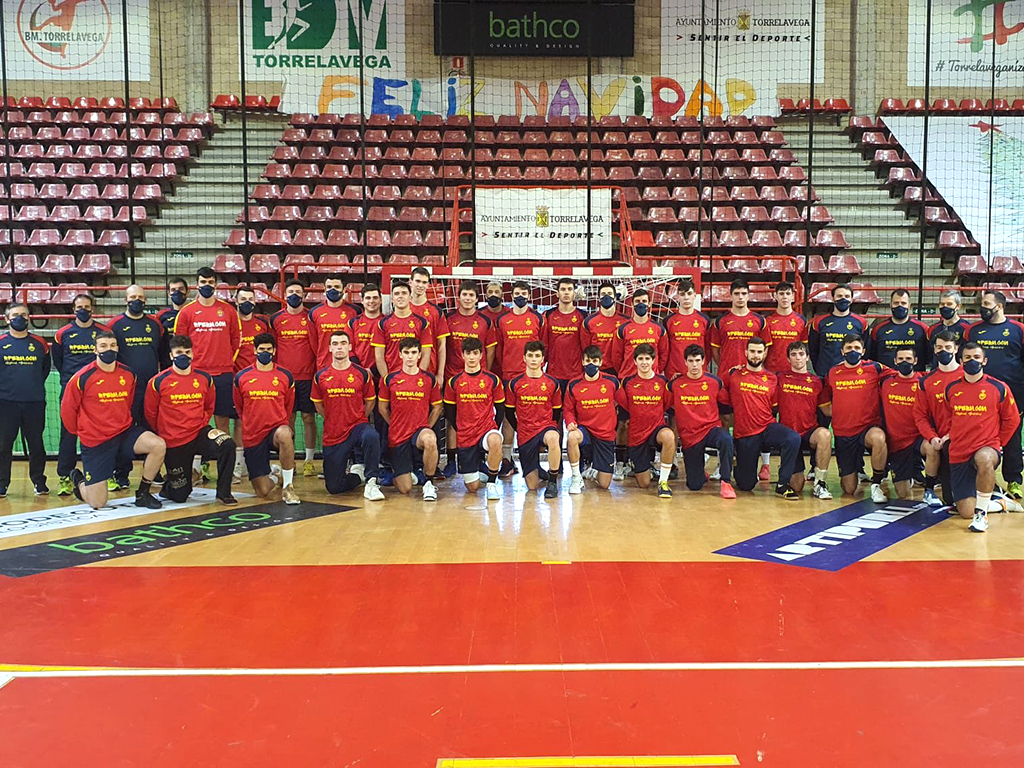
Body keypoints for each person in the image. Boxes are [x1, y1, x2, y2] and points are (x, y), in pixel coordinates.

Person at [60, 332, 165, 510]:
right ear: (95, 350)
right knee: (98, 503)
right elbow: (68, 411)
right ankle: (78, 480)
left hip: (124, 433)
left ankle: (143, 493)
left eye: (112, 345)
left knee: (158, 445)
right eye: (103, 346)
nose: (108, 349)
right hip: (97, 440)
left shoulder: (129, 374)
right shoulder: (82, 378)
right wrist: (84, 432)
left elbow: (129, 402)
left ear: (117, 348)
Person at [144, 335, 237, 505]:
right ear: (171, 356)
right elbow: (151, 413)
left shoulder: (204, 378)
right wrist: (166, 432)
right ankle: (170, 485)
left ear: (193, 354)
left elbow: (209, 406)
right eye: (178, 352)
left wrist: (201, 424)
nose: (183, 356)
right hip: (174, 440)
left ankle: (224, 493)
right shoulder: (158, 381)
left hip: (199, 432)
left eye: (187, 352)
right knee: (180, 496)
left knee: (227, 444)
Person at [945, 342, 1021, 532]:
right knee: (965, 511)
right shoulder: (951, 389)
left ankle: (982, 516)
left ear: (985, 361)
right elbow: (947, 417)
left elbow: (1012, 420)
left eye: (977, 358)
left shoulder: (999, 387)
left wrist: (998, 444)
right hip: (959, 451)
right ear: (961, 361)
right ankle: (1000, 503)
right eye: (968, 358)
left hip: (987, 447)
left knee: (985, 458)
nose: (972, 361)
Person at [718, 337, 800, 498]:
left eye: (759, 352)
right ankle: (739, 462)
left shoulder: (771, 378)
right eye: (753, 351)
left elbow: (774, 405)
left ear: (764, 354)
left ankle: (783, 484)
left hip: (767, 427)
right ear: (746, 352)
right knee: (746, 485)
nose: (756, 355)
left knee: (792, 438)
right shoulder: (733, 374)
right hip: (745, 434)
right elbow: (718, 389)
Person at [311, 330, 384, 501]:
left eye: (343, 343)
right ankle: (358, 476)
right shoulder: (320, 376)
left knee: (371, 435)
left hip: (357, 426)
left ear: (350, 347)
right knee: (334, 488)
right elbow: (318, 404)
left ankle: (372, 482)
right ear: (329, 348)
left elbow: (370, 402)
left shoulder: (362, 374)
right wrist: (332, 418)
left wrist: (358, 418)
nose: (339, 347)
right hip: (333, 432)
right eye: (335, 344)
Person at [965, 290, 1024, 498]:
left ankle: (1014, 481)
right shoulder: (973, 331)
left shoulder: (1018, 330)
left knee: (1012, 438)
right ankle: (980, 478)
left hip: (1013, 394)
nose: (983, 307)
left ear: (999, 306)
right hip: (979, 395)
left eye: (987, 303)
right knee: (977, 436)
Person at [232, 333, 300, 504]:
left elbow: (288, 406)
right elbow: (240, 407)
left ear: (274, 351)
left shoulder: (285, 376)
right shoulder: (241, 377)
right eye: (261, 349)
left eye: (269, 349)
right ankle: (277, 476)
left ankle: (288, 487)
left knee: (285, 433)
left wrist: (281, 423)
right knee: (262, 491)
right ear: (255, 351)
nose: (265, 353)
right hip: (253, 435)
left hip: (275, 430)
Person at [173, 266, 241, 434]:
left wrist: (224, 361)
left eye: (211, 282)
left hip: (223, 374)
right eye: (203, 282)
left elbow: (236, 340)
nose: (207, 285)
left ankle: (223, 459)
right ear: (196, 285)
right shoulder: (186, 313)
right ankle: (198, 460)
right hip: (195, 373)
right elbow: (179, 344)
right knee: (194, 419)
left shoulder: (228, 310)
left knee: (223, 420)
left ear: (216, 285)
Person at [53, 293, 109, 496]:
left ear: (93, 308)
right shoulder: (63, 334)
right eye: (79, 307)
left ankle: (102, 474)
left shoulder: (104, 332)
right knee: (68, 435)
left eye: (87, 306)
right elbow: (58, 361)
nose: (83, 310)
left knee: (102, 434)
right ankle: (65, 477)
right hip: (71, 394)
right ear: (73, 310)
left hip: (98, 394)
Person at [824, 334, 890, 502]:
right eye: (848, 348)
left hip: (867, 427)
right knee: (849, 488)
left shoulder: (874, 368)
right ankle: (855, 472)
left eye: (856, 348)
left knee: (878, 438)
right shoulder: (833, 372)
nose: (852, 351)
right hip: (843, 432)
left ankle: (876, 483)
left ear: (863, 351)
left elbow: (901, 375)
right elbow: (825, 401)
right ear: (842, 351)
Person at [444, 281, 498, 477]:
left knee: (480, 418)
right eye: (464, 294)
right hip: (453, 376)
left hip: (478, 377)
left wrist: (485, 372)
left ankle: (480, 459)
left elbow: (490, 349)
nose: (467, 298)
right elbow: (443, 346)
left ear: (477, 299)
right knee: (453, 419)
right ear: (459, 297)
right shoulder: (448, 318)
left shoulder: (484, 321)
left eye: (471, 295)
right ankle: (451, 460)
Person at [377, 337, 442, 500]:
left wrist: (426, 427)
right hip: (398, 437)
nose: (410, 356)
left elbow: (437, 407)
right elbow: (382, 408)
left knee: (430, 440)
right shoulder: (389, 379)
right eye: (406, 353)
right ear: (400, 355)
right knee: (405, 489)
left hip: (418, 433)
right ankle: (405, 472)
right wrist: (394, 424)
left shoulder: (428, 379)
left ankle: (429, 483)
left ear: (420, 355)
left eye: (414, 352)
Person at [110, 285, 161, 488]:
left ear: (145, 300)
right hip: (126, 391)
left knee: (152, 430)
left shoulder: (155, 325)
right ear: (125, 300)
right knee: (124, 431)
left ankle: (153, 472)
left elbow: (161, 354)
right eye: (133, 297)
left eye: (140, 297)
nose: (137, 300)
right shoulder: (115, 326)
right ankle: (121, 473)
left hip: (150, 389)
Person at [668, 344, 735, 498]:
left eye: (698, 360)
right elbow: (666, 405)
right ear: (685, 362)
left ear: (704, 361)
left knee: (726, 439)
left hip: (711, 429)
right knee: (694, 485)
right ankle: (699, 469)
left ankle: (726, 482)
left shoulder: (714, 382)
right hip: (690, 437)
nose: (694, 365)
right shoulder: (675, 385)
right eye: (691, 361)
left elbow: (727, 403)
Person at [445, 337, 506, 500]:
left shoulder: (492, 380)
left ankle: (492, 483)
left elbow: (500, 409)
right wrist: (460, 428)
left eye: (475, 353)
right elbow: (449, 411)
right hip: (465, 436)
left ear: (481, 355)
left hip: (486, 431)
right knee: (472, 488)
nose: (472, 357)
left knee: (495, 440)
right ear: (462, 355)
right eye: (468, 353)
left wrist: (494, 428)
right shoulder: (454, 382)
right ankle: (482, 470)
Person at [270, 280, 319, 478]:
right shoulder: (275, 319)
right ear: (284, 293)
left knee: (308, 418)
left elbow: (316, 345)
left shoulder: (311, 317)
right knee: (287, 420)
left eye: (298, 292)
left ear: (304, 295)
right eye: (291, 292)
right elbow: (272, 349)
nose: (294, 295)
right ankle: (289, 463)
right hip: (284, 379)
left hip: (307, 376)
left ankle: (308, 460)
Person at [0, 303, 50, 497]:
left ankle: (39, 482)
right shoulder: (1, 343)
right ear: (6, 319)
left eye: (23, 315)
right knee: (4, 445)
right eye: (15, 315)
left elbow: (44, 370)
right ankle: (2, 484)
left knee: (36, 444)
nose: (19, 318)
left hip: (34, 402)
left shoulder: (40, 344)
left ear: (29, 318)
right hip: (5, 403)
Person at [495, 281, 542, 475]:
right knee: (508, 417)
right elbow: (499, 349)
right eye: (517, 293)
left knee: (533, 415)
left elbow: (542, 347)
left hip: (532, 376)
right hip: (509, 374)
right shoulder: (503, 319)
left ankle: (535, 460)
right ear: (511, 296)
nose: (520, 296)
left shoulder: (538, 318)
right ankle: (507, 459)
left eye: (524, 293)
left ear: (529, 296)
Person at [616, 344, 675, 498]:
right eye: (640, 359)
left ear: (653, 361)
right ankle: (646, 469)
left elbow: (667, 404)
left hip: (656, 429)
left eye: (647, 359)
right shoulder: (627, 382)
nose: (644, 362)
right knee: (644, 484)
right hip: (637, 435)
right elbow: (624, 404)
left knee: (668, 436)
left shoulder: (663, 382)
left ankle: (663, 482)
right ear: (634, 361)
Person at [505, 340, 562, 498]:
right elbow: (509, 412)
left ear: (543, 359)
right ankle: (538, 470)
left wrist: (548, 428)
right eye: (530, 356)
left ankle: (552, 481)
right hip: (525, 433)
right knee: (532, 487)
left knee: (553, 437)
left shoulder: (552, 383)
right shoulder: (515, 384)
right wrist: (520, 429)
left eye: (537, 356)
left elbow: (557, 412)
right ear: (524, 358)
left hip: (545, 428)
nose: (534, 359)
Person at [777, 341, 833, 499]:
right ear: (788, 359)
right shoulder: (780, 378)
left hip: (809, 431)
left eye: (801, 354)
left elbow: (827, 410)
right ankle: (787, 467)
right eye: (793, 355)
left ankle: (820, 484)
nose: (798, 358)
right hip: (789, 436)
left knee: (824, 435)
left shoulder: (816, 382)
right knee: (797, 486)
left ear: (807, 357)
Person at [914, 330, 962, 507]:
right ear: (934, 350)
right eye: (940, 347)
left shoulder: (968, 376)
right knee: (951, 500)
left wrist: (953, 434)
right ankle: (929, 489)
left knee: (958, 500)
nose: (944, 351)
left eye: (948, 347)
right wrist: (932, 437)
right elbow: (920, 415)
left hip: (961, 440)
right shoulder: (927, 381)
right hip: (939, 441)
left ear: (956, 349)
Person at [564, 346, 619, 493]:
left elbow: (622, 401)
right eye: (587, 360)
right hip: (585, 430)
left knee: (604, 485)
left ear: (600, 362)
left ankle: (594, 470)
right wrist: (570, 422)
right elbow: (568, 409)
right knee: (572, 437)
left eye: (594, 361)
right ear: (582, 362)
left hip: (605, 434)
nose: (591, 364)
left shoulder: (612, 382)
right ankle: (576, 478)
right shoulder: (574, 384)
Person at [233, 285, 270, 483]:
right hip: (237, 380)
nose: (247, 302)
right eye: (243, 299)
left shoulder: (261, 325)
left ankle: (255, 461)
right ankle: (238, 464)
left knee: (255, 420)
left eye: (250, 299)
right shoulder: (232, 323)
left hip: (261, 380)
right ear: (236, 301)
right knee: (239, 421)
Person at [880, 347, 925, 500]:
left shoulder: (923, 382)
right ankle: (911, 474)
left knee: (932, 448)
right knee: (903, 495)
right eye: (900, 359)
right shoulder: (886, 383)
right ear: (895, 361)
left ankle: (932, 484)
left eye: (908, 359)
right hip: (898, 445)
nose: (904, 362)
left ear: (915, 361)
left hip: (919, 440)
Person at [709, 279, 771, 375]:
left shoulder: (760, 321)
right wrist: (725, 365)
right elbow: (715, 350)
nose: (740, 297)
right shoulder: (720, 321)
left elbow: (766, 347)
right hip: (727, 373)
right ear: (731, 296)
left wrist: (755, 364)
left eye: (744, 293)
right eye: (737, 294)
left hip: (751, 374)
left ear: (748, 296)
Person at [373, 281, 432, 375]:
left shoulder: (422, 323)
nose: (400, 296)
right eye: (396, 294)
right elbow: (379, 356)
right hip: (391, 377)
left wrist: (418, 376)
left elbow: (426, 354)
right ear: (392, 299)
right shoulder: (382, 323)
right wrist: (387, 379)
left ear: (410, 297)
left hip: (414, 378)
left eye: (404, 293)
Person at [808, 284, 867, 374]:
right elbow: (813, 350)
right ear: (833, 298)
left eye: (847, 296)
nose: (843, 299)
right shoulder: (819, 322)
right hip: (825, 373)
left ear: (851, 300)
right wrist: (820, 369)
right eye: (839, 296)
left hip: (851, 374)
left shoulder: (861, 323)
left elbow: (866, 350)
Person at [868, 289, 929, 370]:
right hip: (887, 378)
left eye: (903, 303)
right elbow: (872, 358)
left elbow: (928, 356)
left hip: (914, 379)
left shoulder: (922, 329)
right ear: (890, 305)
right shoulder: (878, 330)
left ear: (909, 306)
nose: (900, 306)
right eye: (896, 303)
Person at [613, 288, 667, 379]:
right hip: (627, 378)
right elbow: (616, 357)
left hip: (652, 379)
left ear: (649, 304)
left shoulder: (659, 329)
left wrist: (655, 370)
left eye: (644, 301)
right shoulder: (622, 329)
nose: (641, 304)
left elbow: (664, 355)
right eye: (637, 301)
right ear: (632, 304)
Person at [309, 275, 360, 371]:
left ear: (344, 290)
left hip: (350, 366)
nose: (332, 290)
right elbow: (314, 342)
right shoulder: (314, 312)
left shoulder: (355, 311)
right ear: (324, 290)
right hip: (324, 365)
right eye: (329, 287)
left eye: (336, 287)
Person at [542, 277, 586, 386]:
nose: (566, 292)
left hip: (576, 373)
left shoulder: (583, 316)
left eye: (570, 289)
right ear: (557, 293)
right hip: (554, 373)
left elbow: (586, 345)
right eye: (563, 289)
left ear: (574, 294)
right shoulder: (548, 315)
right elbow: (544, 344)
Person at [663, 278, 710, 379]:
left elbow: (708, 349)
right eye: (682, 294)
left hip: (698, 374)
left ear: (695, 295)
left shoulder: (704, 320)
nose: (686, 298)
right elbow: (664, 350)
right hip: (674, 374)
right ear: (678, 297)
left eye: (689, 294)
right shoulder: (668, 321)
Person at [409, 266, 450, 378]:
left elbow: (441, 345)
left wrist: (440, 373)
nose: (420, 285)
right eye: (417, 281)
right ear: (410, 282)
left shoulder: (436, 312)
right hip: (404, 368)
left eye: (424, 282)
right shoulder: (401, 309)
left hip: (430, 369)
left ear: (428, 285)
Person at [582, 281, 627, 374]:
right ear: (599, 298)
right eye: (603, 294)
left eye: (610, 294)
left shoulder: (625, 321)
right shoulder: (589, 322)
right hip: (597, 369)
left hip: (620, 370)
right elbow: (585, 348)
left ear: (615, 297)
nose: (606, 296)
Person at [765, 282, 807, 374]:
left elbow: (804, 348)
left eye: (788, 294)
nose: (784, 297)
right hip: (772, 371)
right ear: (775, 296)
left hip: (794, 371)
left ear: (792, 297)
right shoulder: (767, 321)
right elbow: (764, 349)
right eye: (781, 293)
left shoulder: (802, 321)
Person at [156, 276, 189, 369]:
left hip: (190, 362)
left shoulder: (194, 312)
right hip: (167, 363)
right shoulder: (161, 316)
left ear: (187, 292)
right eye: (173, 290)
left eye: (181, 289)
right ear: (169, 293)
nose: (177, 292)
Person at [349, 283, 384, 369]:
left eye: (375, 298)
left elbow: (390, 351)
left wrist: (373, 371)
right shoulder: (352, 323)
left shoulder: (387, 323)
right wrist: (361, 370)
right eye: (368, 298)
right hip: (357, 373)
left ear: (381, 300)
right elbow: (348, 349)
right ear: (362, 301)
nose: (371, 301)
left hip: (381, 374)